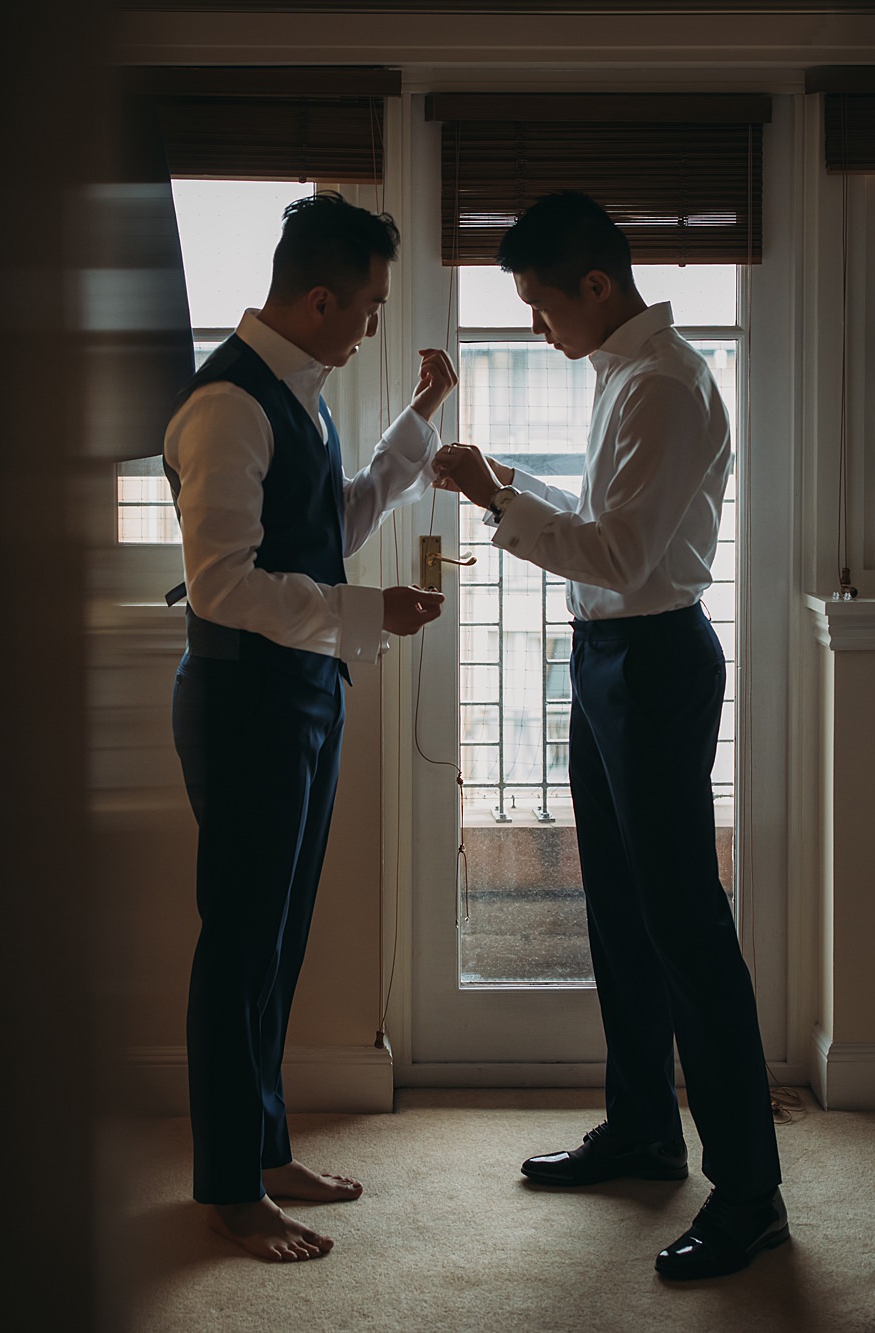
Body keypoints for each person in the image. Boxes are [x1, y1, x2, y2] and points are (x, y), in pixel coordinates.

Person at [431, 191, 786, 1281]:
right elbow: (606, 526)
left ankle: (751, 1193)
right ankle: (641, 1127)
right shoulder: (627, 377)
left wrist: (495, 494)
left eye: (540, 306)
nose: (537, 326)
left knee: (683, 924)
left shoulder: (666, 386)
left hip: (655, 660)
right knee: (622, 911)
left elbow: (621, 558)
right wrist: (507, 490)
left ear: (594, 286)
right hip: (611, 662)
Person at [164, 191, 452, 1262]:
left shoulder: (303, 395)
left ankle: (264, 1149)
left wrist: (416, 426)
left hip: (303, 690)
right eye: (369, 306)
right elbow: (223, 585)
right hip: (243, 699)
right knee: (238, 939)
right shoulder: (226, 407)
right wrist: (368, 613)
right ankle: (228, 1189)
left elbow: (320, 529)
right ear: (320, 296)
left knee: (274, 939)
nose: (373, 324)